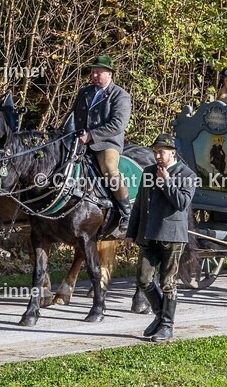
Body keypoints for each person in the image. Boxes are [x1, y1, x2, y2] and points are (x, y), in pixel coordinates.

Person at [124, 134, 198, 343]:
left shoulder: (187, 174)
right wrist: (131, 233)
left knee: (167, 282)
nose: (157, 156)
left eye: (161, 152)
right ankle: (160, 316)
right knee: (143, 279)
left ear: (172, 152)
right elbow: (139, 204)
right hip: (148, 234)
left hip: (173, 236)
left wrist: (166, 182)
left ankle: (167, 325)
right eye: (155, 152)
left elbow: (182, 203)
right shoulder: (148, 172)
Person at [71, 54, 133, 235]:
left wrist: (92, 135)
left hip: (106, 143)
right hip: (80, 140)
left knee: (109, 169)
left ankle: (126, 212)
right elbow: (73, 116)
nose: (95, 75)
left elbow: (118, 124)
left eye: (99, 72)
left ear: (110, 74)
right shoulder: (84, 92)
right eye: (93, 72)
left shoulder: (120, 95)